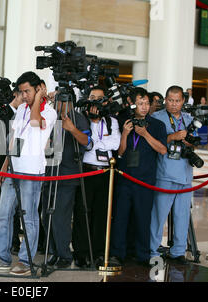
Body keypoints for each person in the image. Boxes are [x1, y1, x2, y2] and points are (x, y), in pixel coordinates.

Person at [0, 71, 57, 276]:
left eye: (28, 91)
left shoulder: (49, 112)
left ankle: (26, 260)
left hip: (32, 172)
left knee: (29, 218)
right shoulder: (22, 108)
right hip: (13, 169)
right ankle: (3, 258)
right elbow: (14, 138)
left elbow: (35, 122)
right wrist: (4, 166)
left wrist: (40, 98)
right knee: (3, 214)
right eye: (22, 92)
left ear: (39, 88)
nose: (24, 96)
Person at [110, 88, 167, 267]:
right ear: (131, 103)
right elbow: (119, 152)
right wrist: (126, 134)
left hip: (145, 179)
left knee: (143, 218)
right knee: (120, 217)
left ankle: (143, 254)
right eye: (140, 103)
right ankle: (117, 253)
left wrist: (144, 134)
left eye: (147, 104)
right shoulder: (122, 122)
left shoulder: (157, 125)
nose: (144, 107)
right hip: (124, 178)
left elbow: (163, 149)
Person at [72, 86, 121, 268]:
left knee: (102, 214)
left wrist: (96, 143)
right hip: (86, 170)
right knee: (82, 212)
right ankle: (81, 253)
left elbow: (114, 143)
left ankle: (98, 251)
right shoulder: (82, 119)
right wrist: (93, 123)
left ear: (106, 101)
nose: (95, 101)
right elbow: (87, 144)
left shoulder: (112, 122)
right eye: (92, 97)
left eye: (99, 98)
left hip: (106, 172)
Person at [42, 98, 90, 269]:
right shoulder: (50, 116)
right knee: (46, 216)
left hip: (67, 174)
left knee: (60, 217)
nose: (56, 103)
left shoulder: (78, 118)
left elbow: (86, 141)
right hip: (49, 171)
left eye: (59, 100)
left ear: (68, 102)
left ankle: (64, 254)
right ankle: (54, 252)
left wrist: (71, 128)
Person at [150, 85, 195, 265]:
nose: (174, 104)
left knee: (182, 215)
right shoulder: (156, 118)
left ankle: (178, 251)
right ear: (165, 100)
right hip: (165, 173)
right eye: (171, 100)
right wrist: (173, 136)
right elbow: (154, 142)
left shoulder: (189, 118)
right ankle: (153, 249)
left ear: (183, 101)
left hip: (185, 173)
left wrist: (190, 143)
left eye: (177, 101)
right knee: (158, 215)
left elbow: (196, 143)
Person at [0, 88, 24, 255]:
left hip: (19, 161)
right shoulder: (3, 113)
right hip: (3, 160)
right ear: (15, 95)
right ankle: (6, 236)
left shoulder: (24, 112)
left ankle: (13, 238)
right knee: (3, 198)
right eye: (22, 95)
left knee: (13, 203)